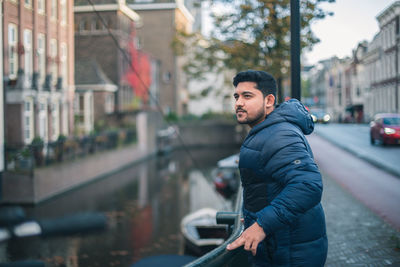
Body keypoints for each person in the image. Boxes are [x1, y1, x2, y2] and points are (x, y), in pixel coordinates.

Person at [226, 70, 328, 266]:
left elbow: (308, 186)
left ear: (269, 101)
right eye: (236, 96)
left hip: (290, 254)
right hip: (282, 246)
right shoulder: (268, 130)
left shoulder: (279, 135)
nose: (238, 102)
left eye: (247, 96)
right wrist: (252, 216)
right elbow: (269, 186)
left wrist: (261, 225)